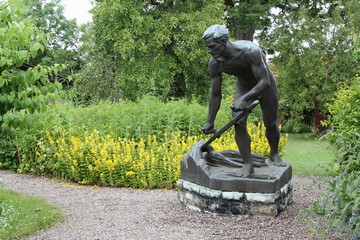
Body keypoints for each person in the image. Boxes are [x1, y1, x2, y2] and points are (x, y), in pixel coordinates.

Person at [201, 24, 287, 177]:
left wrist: (244, 98)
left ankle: (274, 154)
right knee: (238, 122)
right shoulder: (215, 64)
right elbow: (215, 94)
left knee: (271, 123)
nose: (209, 51)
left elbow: (264, 82)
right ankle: (248, 164)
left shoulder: (250, 51)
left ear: (223, 41)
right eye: (208, 47)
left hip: (265, 84)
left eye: (212, 47)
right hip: (244, 85)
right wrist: (210, 122)